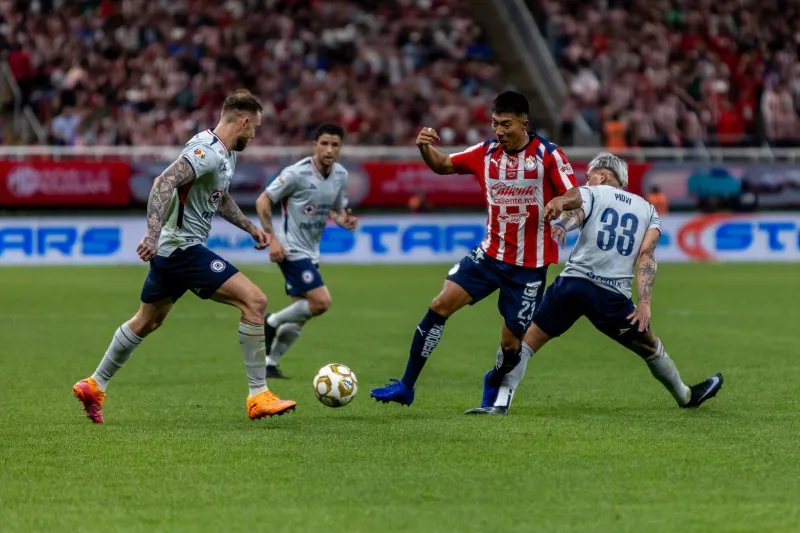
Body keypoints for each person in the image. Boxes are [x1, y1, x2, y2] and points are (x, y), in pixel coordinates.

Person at [72, 89, 297, 423]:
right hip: (182, 249)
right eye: (255, 128)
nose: (255, 134)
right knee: (255, 302)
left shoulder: (225, 153)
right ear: (244, 121)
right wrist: (152, 233)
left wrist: (250, 227)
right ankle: (258, 396)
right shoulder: (206, 152)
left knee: (148, 320)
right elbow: (164, 183)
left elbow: (219, 199)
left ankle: (94, 384)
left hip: (172, 251)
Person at [466, 153, 723, 415]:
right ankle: (686, 396)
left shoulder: (594, 191)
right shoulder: (648, 210)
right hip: (611, 296)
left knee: (527, 342)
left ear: (601, 176)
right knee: (649, 346)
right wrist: (644, 302)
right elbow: (646, 256)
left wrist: (563, 225)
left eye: (589, 177)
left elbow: (577, 209)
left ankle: (500, 403)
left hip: (573, 285)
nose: (586, 181)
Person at [370, 91, 577, 406]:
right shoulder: (485, 153)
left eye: (506, 124)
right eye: (495, 124)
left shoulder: (548, 155)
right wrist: (425, 147)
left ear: (524, 122)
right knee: (439, 305)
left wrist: (560, 201)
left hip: (528, 268)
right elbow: (441, 165)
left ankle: (494, 378)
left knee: (511, 347)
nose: (500, 131)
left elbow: (576, 193)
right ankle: (406, 386)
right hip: (489, 256)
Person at [255, 123, 357, 378]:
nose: (329, 149)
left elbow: (335, 208)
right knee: (321, 302)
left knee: (300, 315)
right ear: (315, 145)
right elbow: (263, 200)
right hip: (290, 249)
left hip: (312, 251)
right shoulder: (296, 173)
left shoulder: (341, 175)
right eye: (324, 143)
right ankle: (270, 322)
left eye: (335, 145)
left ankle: (270, 363)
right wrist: (273, 239)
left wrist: (343, 219)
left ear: (340, 147)